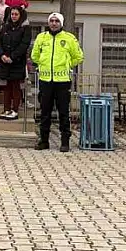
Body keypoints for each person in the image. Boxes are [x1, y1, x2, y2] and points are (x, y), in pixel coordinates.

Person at [30, 12, 84, 152]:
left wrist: (67, 65)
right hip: (45, 80)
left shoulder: (69, 38)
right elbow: (34, 56)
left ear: (61, 23)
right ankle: (44, 141)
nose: (54, 23)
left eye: (56, 21)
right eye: (51, 21)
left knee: (63, 112)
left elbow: (78, 57)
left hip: (63, 81)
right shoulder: (41, 38)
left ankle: (65, 142)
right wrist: (42, 64)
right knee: (45, 112)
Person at [0, 6, 30, 121]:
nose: (14, 16)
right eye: (12, 14)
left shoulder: (25, 28)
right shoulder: (5, 27)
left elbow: (24, 45)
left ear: (20, 15)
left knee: (16, 87)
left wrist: (13, 57)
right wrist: (2, 55)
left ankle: (15, 110)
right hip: (5, 61)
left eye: (16, 14)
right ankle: (6, 109)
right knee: (6, 87)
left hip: (17, 62)